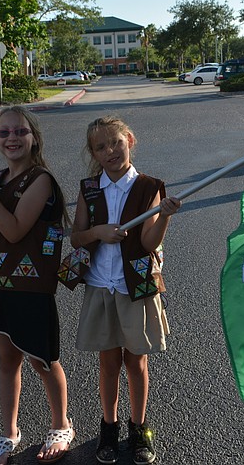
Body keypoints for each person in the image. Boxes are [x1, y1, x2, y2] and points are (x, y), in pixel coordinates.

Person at [0, 106, 74, 465]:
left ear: (33, 136)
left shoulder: (41, 180)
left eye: (19, 132)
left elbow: (13, 230)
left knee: (42, 360)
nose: (12, 138)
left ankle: (61, 425)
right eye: (4, 133)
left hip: (30, 286)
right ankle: (9, 431)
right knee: (7, 360)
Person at [68, 116, 181, 465]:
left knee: (137, 362)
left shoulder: (150, 187)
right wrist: (99, 232)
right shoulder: (89, 188)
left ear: (129, 139)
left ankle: (139, 427)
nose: (110, 151)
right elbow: (76, 237)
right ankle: (109, 426)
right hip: (102, 285)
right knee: (108, 364)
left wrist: (164, 217)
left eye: (116, 142)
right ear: (94, 153)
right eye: (101, 147)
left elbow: (147, 242)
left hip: (136, 287)